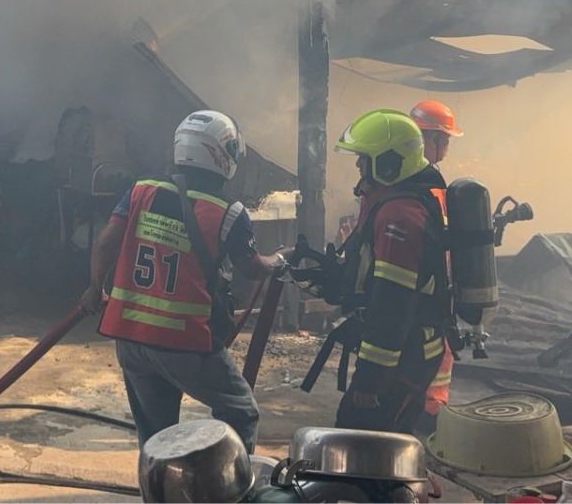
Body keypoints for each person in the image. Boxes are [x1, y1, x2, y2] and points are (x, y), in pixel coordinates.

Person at [78, 110, 288, 452]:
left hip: (130, 337)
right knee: (240, 410)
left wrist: (95, 288)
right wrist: (279, 260)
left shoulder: (141, 191)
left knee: (156, 437)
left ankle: (159, 481)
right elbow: (252, 268)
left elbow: (106, 243)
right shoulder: (229, 212)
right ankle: (228, 480)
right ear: (221, 154)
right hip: (184, 341)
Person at [333, 108, 452, 435]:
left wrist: (370, 380)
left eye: (364, 158)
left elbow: (392, 304)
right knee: (372, 441)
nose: (358, 165)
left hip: (404, 359)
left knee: (366, 444)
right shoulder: (398, 202)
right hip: (404, 353)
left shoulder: (398, 217)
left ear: (387, 163)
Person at [409, 100, 463, 428]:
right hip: (433, 289)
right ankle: (430, 413)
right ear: (433, 138)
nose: (447, 146)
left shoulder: (406, 180)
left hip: (424, 288)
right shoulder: (429, 184)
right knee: (436, 351)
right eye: (445, 139)